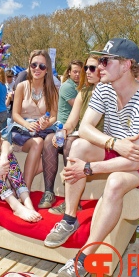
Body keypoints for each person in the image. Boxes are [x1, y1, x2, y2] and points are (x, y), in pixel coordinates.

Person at [44, 38, 139, 277]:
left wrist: (87, 169)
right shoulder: (103, 89)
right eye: (99, 60)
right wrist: (113, 143)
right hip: (120, 149)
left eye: (105, 61)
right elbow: (85, 128)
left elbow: (135, 161)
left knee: (115, 181)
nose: (99, 66)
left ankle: (85, 256)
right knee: (78, 146)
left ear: (126, 65)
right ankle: (70, 218)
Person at [46, 55, 103, 214]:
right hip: (84, 136)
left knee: (72, 144)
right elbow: (71, 122)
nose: (88, 71)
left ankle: (72, 201)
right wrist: (63, 131)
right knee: (50, 139)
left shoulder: (108, 91)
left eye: (92, 68)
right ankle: (49, 192)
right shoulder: (83, 92)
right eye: (87, 68)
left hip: (100, 140)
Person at [11, 50, 59, 200]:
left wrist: (46, 123)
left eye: (42, 66)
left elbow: (54, 116)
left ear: (47, 69)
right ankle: (26, 190)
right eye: (34, 64)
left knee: (49, 146)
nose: (37, 68)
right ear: (29, 67)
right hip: (22, 132)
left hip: (43, 131)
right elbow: (15, 114)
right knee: (38, 142)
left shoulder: (52, 89)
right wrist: (27, 124)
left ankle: (22, 188)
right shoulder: (22, 86)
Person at [57, 60, 83, 125]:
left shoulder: (79, 85)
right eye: (75, 72)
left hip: (74, 123)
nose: (77, 74)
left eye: (80, 72)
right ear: (69, 72)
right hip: (65, 125)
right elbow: (79, 107)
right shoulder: (67, 86)